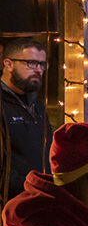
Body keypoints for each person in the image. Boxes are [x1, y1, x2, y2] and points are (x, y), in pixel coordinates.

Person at [3, 37, 52, 200]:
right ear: (8, 64)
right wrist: (34, 189)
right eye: (31, 63)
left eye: (42, 64)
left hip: (42, 201)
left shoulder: (37, 105)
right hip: (11, 208)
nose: (38, 70)